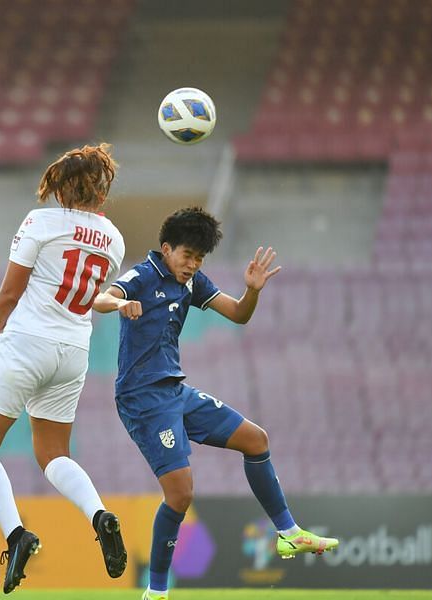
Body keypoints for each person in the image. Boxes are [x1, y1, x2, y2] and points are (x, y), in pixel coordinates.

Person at [93, 206, 339, 600]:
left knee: (256, 440)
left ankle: (289, 534)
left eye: (199, 259)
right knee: (180, 494)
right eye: (187, 256)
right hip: (142, 398)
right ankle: (156, 592)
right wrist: (121, 304)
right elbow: (101, 298)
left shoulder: (192, 282)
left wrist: (253, 291)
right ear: (166, 248)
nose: (192, 265)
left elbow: (239, 314)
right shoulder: (142, 275)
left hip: (175, 391)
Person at [0, 143, 135, 594]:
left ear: (60, 185)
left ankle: (18, 535)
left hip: (25, 344)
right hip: (74, 351)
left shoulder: (41, 221)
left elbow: (10, 293)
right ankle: (99, 515)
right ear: (100, 189)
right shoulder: (114, 238)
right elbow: (87, 293)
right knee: (53, 453)